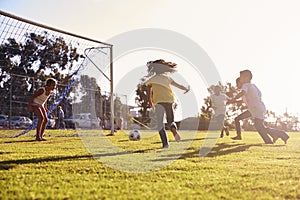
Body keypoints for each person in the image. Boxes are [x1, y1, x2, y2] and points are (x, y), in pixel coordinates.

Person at [228, 70, 289, 144]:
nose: (240, 80)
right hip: (259, 108)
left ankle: (282, 135)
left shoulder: (246, 85)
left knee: (260, 127)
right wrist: (238, 103)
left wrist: (233, 99)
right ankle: (270, 140)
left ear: (246, 78)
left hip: (256, 109)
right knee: (259, 127)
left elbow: (242, 93)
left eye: (241, 78)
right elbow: (255, 97)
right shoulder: (253, 86)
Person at [145, 59, 190, 148]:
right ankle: (173, 129)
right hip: (169, 101)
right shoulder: (167, 78)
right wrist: (186, 88)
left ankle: (165, 144)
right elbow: (178, 85)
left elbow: (149, 95)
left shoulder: (151, 80)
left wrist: (151, 105)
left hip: (158, 103)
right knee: (171, 121)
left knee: (160, 124)